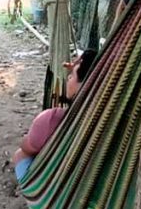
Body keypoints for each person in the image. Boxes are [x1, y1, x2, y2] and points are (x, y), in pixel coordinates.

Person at [12, 49, 97, 181]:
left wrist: (27, 138)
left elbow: (27, 149)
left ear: (85, 85)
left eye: (72, 76)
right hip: (94, 180)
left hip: (61, 188)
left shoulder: (52, 119)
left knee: (20, 155)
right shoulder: (109, 117)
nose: (68, 77)